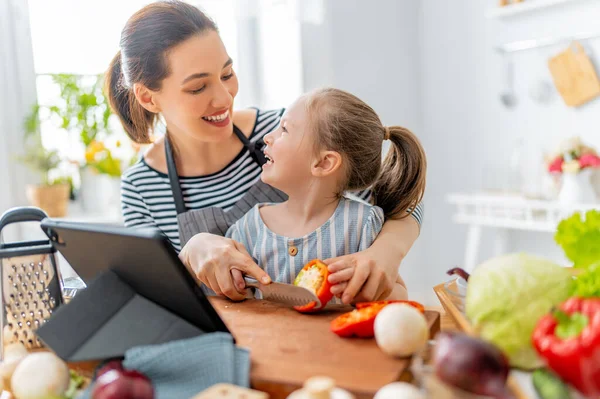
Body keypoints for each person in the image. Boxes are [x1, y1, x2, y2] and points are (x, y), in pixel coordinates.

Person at [108, 1, 424, 304]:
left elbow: (401, 193)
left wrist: (386, 252)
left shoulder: (284, 134)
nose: (224, 98)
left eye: (227, 74)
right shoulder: (141, 188)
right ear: (148, 98)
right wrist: (188, 255)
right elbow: (152, 298)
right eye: (197, 87)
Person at [225, 88, 426, 301]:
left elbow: (399, 296)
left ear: (324, 163)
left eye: (284, 129)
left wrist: (370, 293)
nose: (267, 137)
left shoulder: (363, 224)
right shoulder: (247, 228)